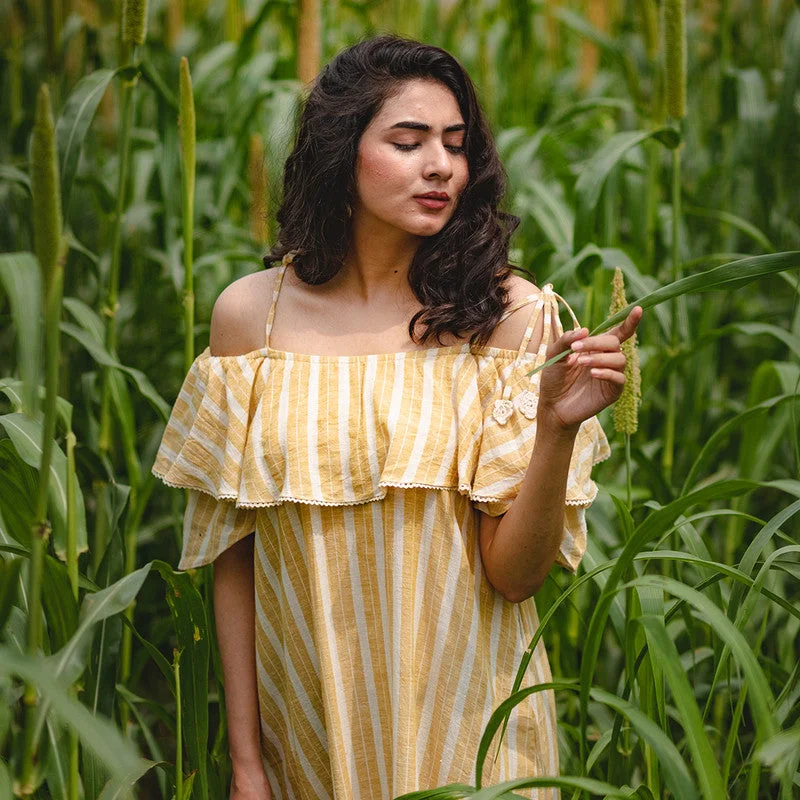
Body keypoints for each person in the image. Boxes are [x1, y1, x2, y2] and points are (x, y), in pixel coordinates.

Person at [152, 33, 642, 800]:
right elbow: (233, 561)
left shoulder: (511, 318)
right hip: (307, 737)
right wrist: (247, 763)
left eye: (455, 143)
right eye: (408, 142)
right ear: (339, 154)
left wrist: (556, 431)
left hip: (471, 742)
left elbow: (513, 578)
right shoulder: (252, 322)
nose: (440, 165)